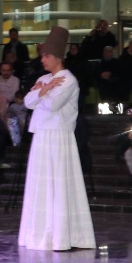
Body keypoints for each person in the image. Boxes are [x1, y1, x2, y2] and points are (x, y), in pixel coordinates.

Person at [18, 26, 94, 250]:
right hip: (42, 136)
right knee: (41, 185)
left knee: (58, 185)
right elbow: (28, 102)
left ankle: (60, 235)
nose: (42, 59)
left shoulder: (68, 80)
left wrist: (43, 92)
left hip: (58, 137)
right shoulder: (45, 78)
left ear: (57, 57)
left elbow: (53, 105)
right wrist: (44, 89)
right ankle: (39, 234)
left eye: (46, 56)